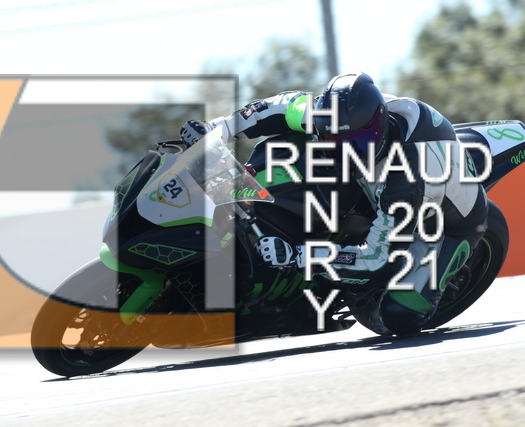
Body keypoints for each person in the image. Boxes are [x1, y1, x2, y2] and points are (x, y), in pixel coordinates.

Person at [180, 72, 488, 337]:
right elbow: (275, 107)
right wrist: (218, 129)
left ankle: (427, 283)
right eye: (333, 140)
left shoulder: (405, 180)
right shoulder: (335, 114)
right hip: (381, 186)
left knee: (398, 316)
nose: (345, 151)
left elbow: (377, 259)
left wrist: (299, 255)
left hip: (441, 227)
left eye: (356, 143)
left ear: (380, 125)